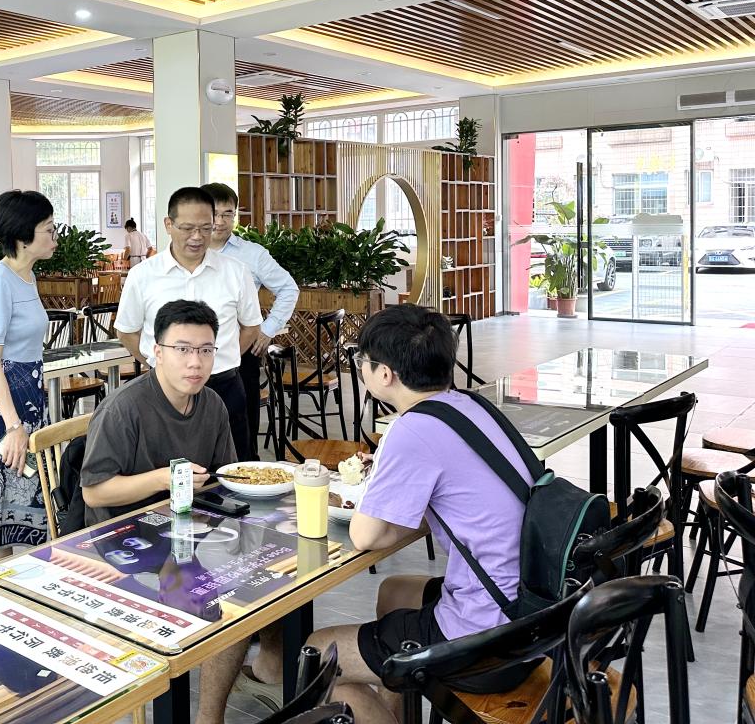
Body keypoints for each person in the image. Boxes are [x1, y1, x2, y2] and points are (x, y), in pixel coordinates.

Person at [304, 304, 535, 723]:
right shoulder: (470, 405)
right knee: (395, 592)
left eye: (362, 360)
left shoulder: (411, 429)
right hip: (533, 609)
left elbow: (365, 536)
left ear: (385, 374)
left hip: (487, 635)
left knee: (317, 655)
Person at [115, 187, 262, 461]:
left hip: (225, 387)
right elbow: (126, 332)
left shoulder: (235, 272)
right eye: (187, 228)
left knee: (235, 470)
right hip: (164, 394)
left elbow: (251, 327)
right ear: (168, 225)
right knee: (169, 474)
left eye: (206, 228)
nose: (197, 237)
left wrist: (214, 357)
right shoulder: (143, 276)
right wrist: (160, 362)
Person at [81, 299, 236, 525]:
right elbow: (93, 493)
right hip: (124, 533)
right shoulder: (121, 409)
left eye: (205, 350)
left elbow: (223, 476)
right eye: (182, 349)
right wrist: (164, 479)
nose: (195, 362)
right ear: (158, 353)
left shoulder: (213, 404)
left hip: (188, 525)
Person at [0, 189, 54, 559]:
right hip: (2, 406)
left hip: (29, 397)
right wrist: (13, 426)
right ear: (23, 237)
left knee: (33, 495)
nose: (55, 236)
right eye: (48, 229)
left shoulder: (28, 276)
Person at [203, 181, 298, 458]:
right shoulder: (190, 251)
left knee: (242, 432)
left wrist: (267, 329)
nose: (221, 221)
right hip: (196, 355)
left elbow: (288, 288)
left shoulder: (252, 254)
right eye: (215, 214)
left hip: (240, 351)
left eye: (228, 214)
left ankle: (245, 474)